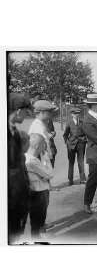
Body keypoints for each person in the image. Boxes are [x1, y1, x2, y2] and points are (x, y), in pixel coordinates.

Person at [8, 93, 32, 244]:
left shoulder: (14, 133)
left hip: (18, 203)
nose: (26, 115)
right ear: (18, 111)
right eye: (25, 112)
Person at [25, 133, 54, 239]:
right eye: (43, 144)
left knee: (36, 221)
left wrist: (43, 175)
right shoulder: (32, 161)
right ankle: (36, 240)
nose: (45, 146)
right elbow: (50, 174)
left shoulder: (27, 157)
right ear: (38, 146)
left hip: (36, 191)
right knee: (37, 222)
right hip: (39, 193)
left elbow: (45, 175)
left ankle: (37, 236)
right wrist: (46, 158)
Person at [63, 107, 87, 185]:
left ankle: (82, 179)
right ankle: (70, 180)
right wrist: (67, 143)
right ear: (71, 114)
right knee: (71, 162)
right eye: (74, 113)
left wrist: (84, 140)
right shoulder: (69, 123)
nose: (76, 115)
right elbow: (65, 134)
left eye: (77, 113)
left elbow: (86, 132)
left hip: (81, 144)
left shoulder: (82, 122)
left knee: (81, 161)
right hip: (71, 145)